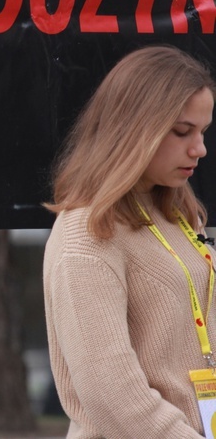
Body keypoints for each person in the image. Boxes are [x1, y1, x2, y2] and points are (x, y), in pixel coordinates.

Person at [43, 45, 216, 437]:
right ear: (135, 126)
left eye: (203, 131)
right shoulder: (85, 232)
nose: (200, 148)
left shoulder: (179, 214)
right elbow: (111, 395)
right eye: (182, 131)